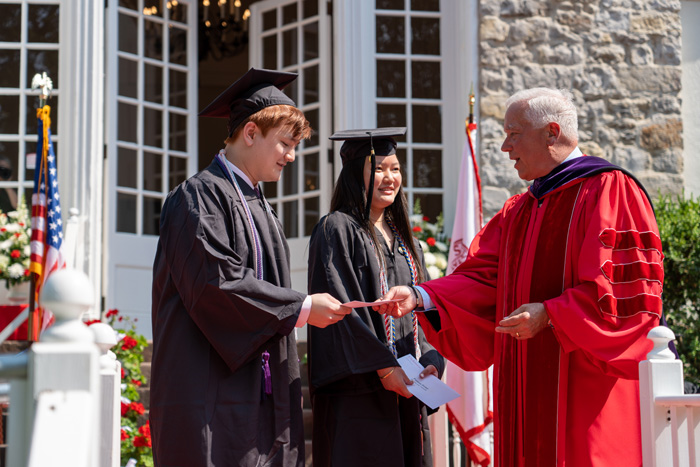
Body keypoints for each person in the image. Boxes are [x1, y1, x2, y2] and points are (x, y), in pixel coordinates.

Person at [375, 88, 663, 466]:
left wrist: (552, 314)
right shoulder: (519, 210)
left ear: (551, 133)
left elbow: (623, 299)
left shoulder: (609, 190)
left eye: (514, 134)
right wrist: (421, 296)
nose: (504, 147)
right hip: (522, 397)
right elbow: (481, 280)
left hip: (586, 395)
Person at [150, 68, 351, 467]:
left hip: (259, 388)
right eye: (285, 143)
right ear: (251, 132)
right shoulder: (199, 197)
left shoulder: (258, 204)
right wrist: (302, 307)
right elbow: (215, 284)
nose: (292, 156)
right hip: (208, 389)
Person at [307, 128, 445, 467]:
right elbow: (340, 309)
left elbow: (422, 304)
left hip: (406, 389)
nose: (390, 177)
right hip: (360, 395)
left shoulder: (403, 237)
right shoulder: (336, 229)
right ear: (357, 173)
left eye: (395, 169)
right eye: (379, 168)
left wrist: (430, 361)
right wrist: (384, 370)